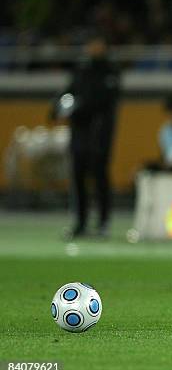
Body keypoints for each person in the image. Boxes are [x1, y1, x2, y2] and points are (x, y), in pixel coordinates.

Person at [52, 36, 120, 239]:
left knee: (100, 177)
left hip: (99, 135)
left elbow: (102, 101)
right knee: (78, 178)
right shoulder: (82, 69)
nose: (93, 48)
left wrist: (78, 108)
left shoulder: (110, 71)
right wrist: (57, 108)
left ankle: (103, 223)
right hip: (80, 134)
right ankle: (80, 222)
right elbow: (68, 92)